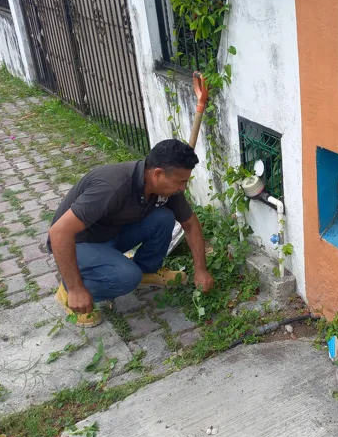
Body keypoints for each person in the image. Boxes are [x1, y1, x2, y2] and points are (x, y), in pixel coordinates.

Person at [48, 139, 214, 327]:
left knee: (163, 217)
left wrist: (201, 269)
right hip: (78, 243)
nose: (182, 188)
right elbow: (59, 233)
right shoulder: (112, 186)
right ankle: (69, 293)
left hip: (110, 234)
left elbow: (190, 225)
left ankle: (146, 271)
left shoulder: (165, 188)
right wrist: (75, 288)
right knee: (127, 277)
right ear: (158, 174)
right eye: (180, 182)